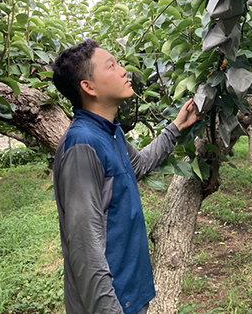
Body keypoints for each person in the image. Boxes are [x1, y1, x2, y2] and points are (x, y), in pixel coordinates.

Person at [51, 39, 200, 314]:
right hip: (111, 303)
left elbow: (140, 164)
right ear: (89, 87)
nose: (123, 71)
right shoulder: (83, 145)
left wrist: (177, 126)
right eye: (112, 66)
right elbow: (85, 250)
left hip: (130, 293)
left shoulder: (109, 131)